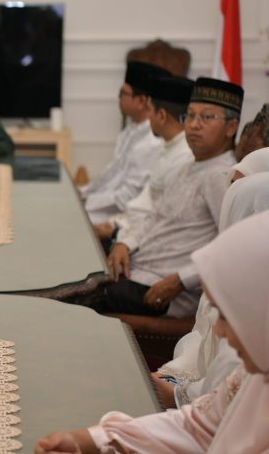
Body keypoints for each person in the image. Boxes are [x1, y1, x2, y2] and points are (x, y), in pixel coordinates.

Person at [35, 210, 269, 453]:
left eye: (227, 315)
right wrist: (92, 440)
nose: (219, 331)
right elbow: (197, 428)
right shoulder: (256, 376)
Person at [84, 77, 242, 317]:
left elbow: (232, 246)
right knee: (72, 274)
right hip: (135, 270)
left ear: (231, 127)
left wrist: (180, 280)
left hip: (159, 289)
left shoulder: (221, 177)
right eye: (190, 115)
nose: (194, 125)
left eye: (206, 117)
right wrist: (124, 242)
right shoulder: (187, 167)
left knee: (72, 296)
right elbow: (153, 216)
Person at [153, 161, 269, 408]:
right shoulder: (229, 272)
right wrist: (174, 378)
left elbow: (213, 411)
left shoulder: (255, 300)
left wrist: (177, 392)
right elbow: (200, 340)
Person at [94, 75, 194, 244]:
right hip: (127, 227)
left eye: (150, 110)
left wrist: (118, 233)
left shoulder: (182, 156)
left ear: (161, 115)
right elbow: (143, 202)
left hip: (143, 243)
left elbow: (161, 218)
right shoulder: (167, 147)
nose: (148, 119)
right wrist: (116, 223)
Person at [81, 61, 168, 225]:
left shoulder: (152, 141)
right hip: (102, 206)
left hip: (121, 216)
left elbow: (128, 196)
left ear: (141, 101)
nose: (119, 98)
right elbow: (110, 175)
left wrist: (87, 202)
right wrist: (83, 192)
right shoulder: (130, 131)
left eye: (123, 93)